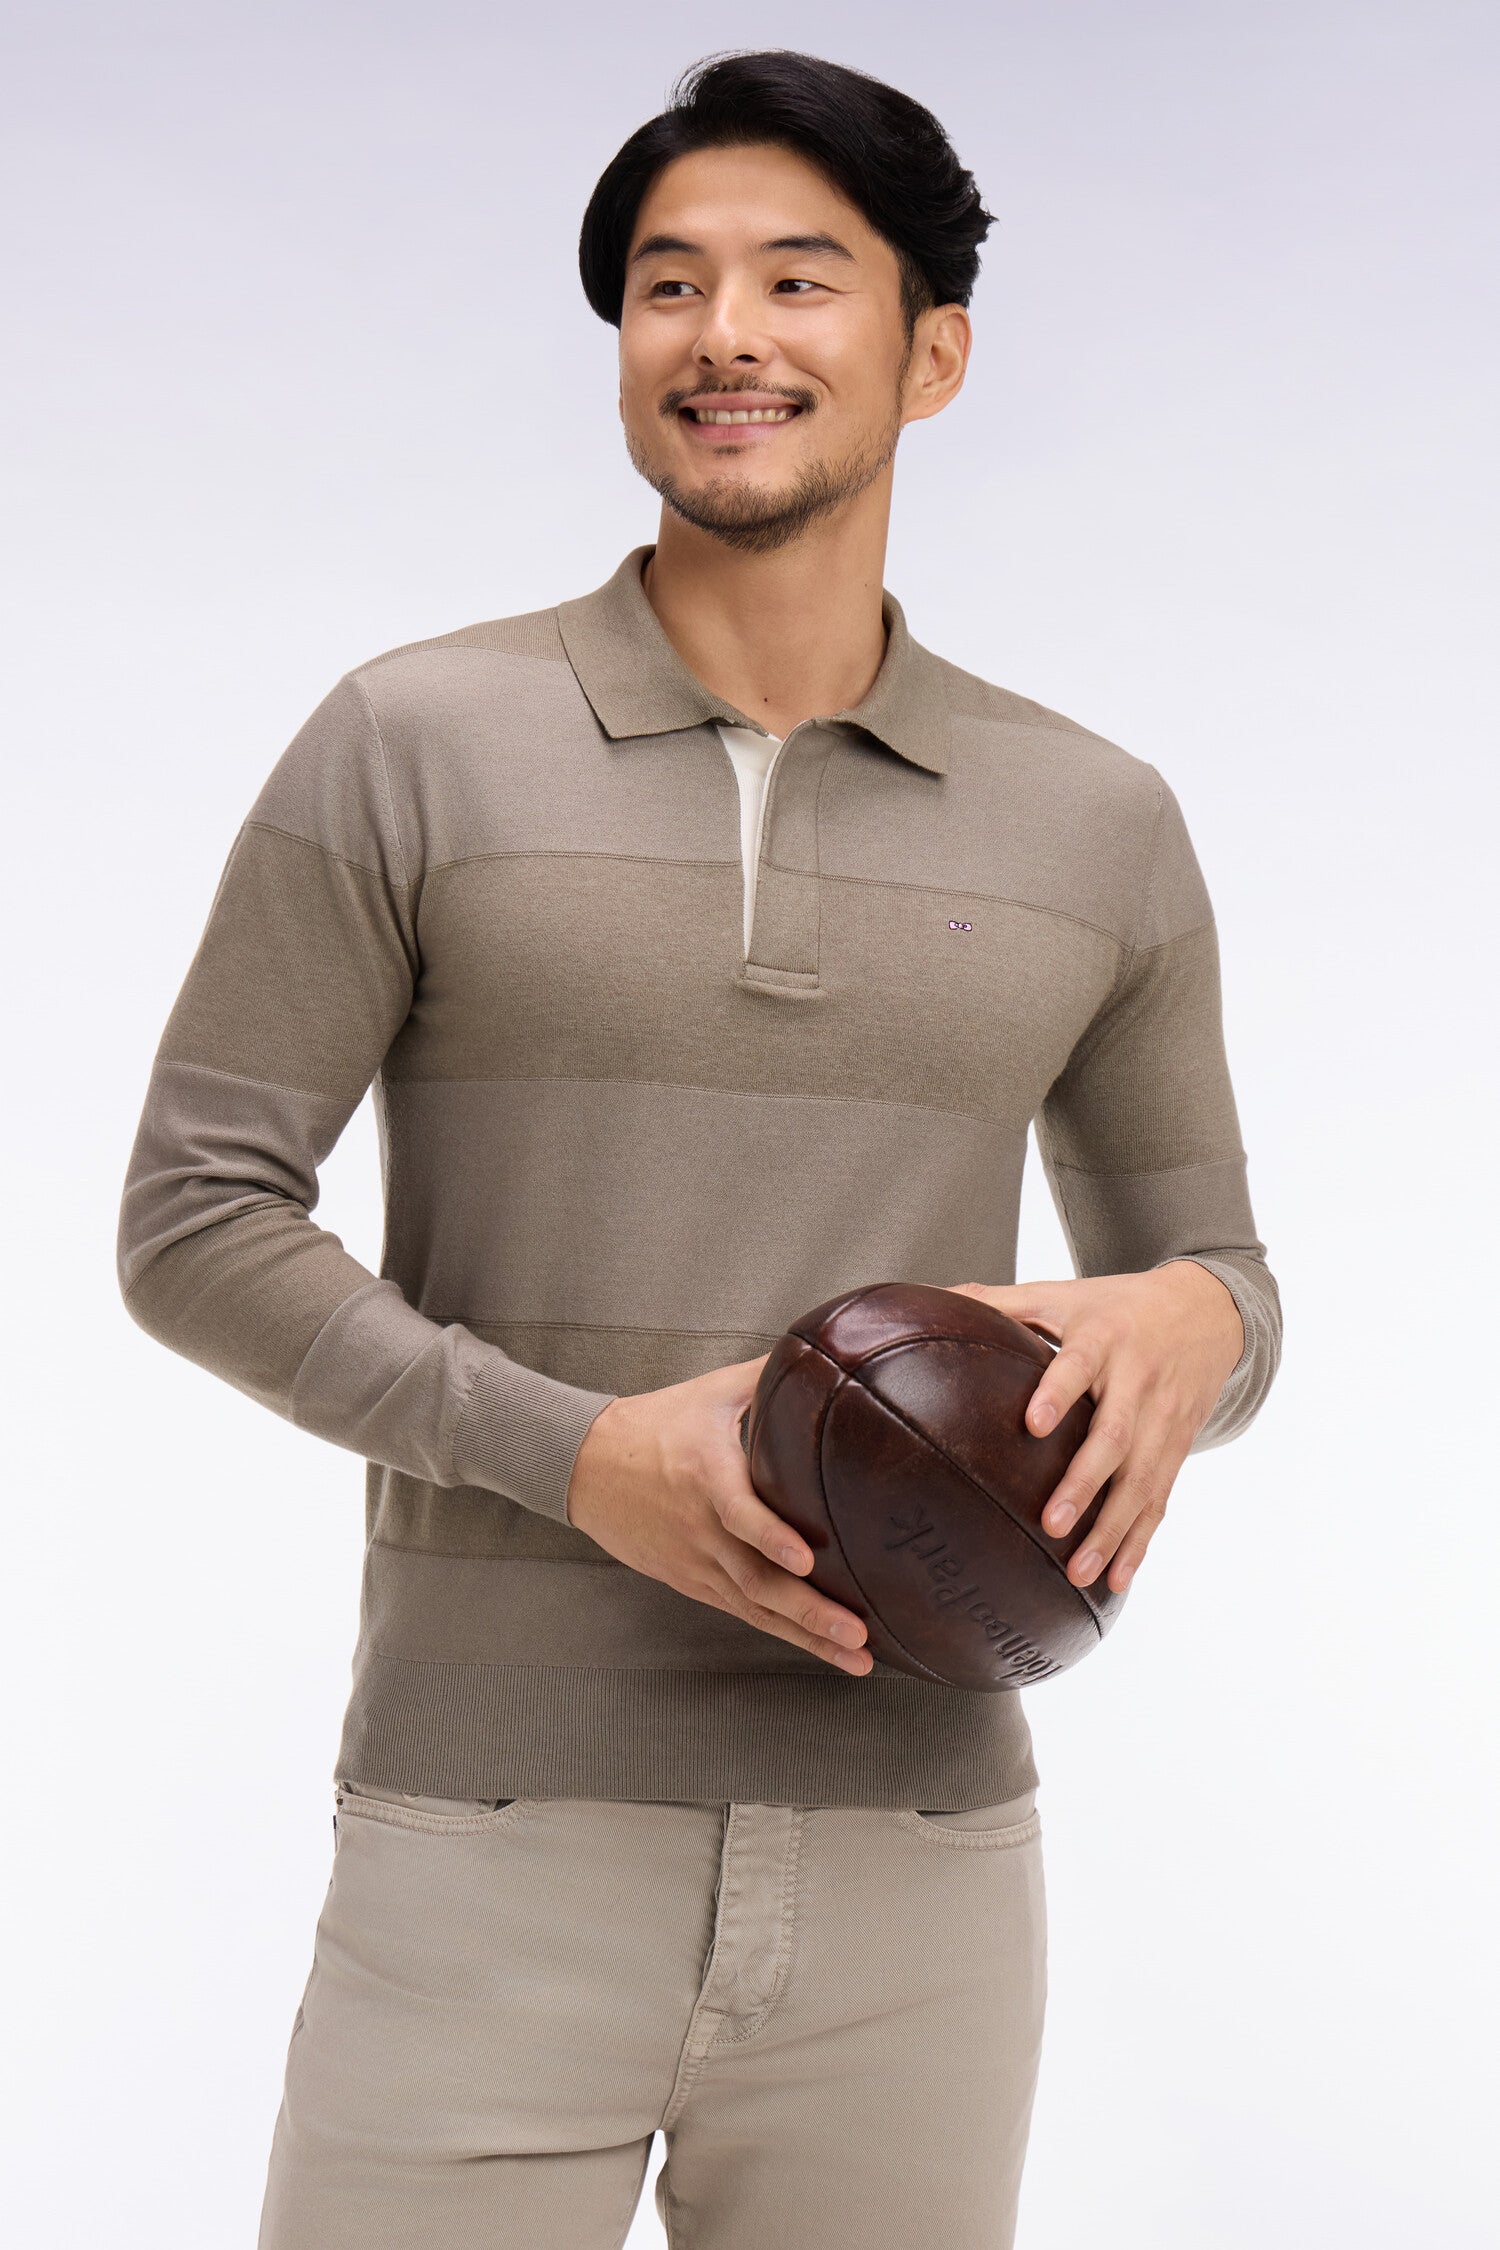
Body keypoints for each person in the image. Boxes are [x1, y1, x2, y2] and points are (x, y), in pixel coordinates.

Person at [116, 48, 1282, 2250]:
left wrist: (1199, 1323)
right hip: (483, 1841)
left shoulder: (1098, 822)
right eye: (669, 284)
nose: (724, 334)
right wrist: (577, 1457)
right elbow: (191, 1222)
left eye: (797, 279)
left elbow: (1223, 1288)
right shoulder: (411, 741)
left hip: (926, 1877)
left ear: (934, 355)